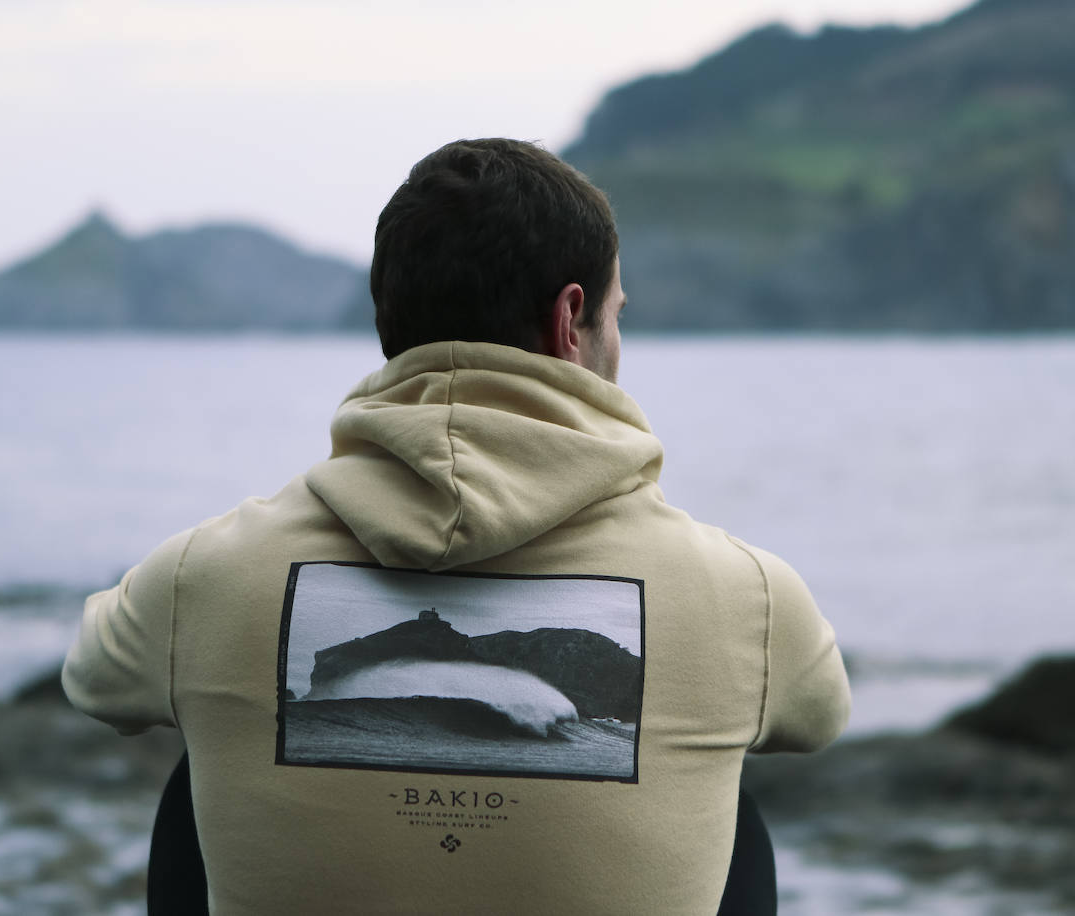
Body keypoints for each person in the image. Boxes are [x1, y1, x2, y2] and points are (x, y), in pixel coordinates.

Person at [63, 138, 850, 915]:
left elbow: (97, 678)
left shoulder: (205, 574)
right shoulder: (749, 595)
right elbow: (817, 714)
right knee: (732, 810)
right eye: (616, 317)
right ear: (570, 320)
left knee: (194, 772)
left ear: (390, 320)